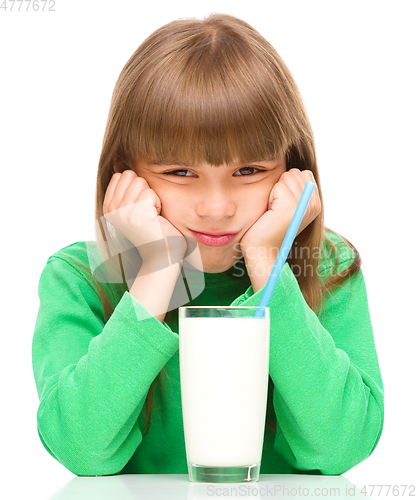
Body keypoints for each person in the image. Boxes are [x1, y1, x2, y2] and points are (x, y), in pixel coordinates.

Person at [32, 13, 384, 477]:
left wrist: (266, 261)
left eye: (248, 171)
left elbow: (342, 446)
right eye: (180, 173)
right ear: (126, 171)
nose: (216, 208)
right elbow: (80, 448)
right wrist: (155, 273)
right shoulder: (78, 277)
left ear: (291, 168)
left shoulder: (325, 266)